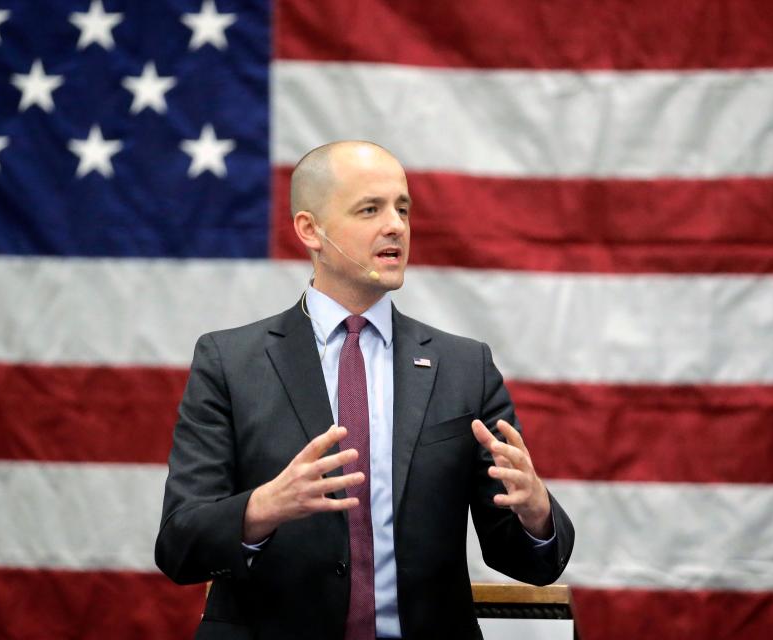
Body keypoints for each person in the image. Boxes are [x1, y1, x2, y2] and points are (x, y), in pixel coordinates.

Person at [155, 141, 574, 640]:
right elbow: (179, 547)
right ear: (311, 230)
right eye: (370, 209)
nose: (395, 225)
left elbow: (530, 561)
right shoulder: (230, 362)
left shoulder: (464, 366)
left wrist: (535, 512)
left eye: (403, 208)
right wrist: (262, 508)